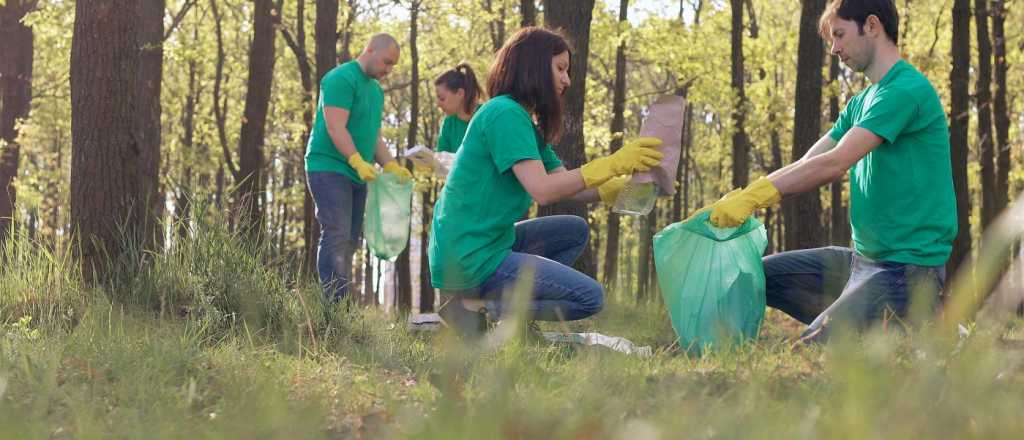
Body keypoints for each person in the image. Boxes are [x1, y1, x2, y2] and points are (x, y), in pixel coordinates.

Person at [694, 0, 956, 342]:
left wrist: (756, 197)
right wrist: (742, 198)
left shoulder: (905, 91)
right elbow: (810, 161)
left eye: (839, 35)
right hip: (862, 265)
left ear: (872, 26)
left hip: (907, 272)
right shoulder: (861, 102)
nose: (834, 48)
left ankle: (915, 321)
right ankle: (879, 322)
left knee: (815, 347)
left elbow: (834, 163)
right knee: (754, 275)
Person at [428, 27, 664, 337]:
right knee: (590, 297)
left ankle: (498, 313)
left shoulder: (523, 121)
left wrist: (613, 189)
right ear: (534, 66)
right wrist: (612, 162)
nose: (567, 80)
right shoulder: (503, 114)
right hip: (470, 257)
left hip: (485, 242)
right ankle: (480, 309)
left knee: (573, 230)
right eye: (560, 68)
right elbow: (543, 190)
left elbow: (562, 179)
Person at [305, 33, 413, 301]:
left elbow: (374, 137)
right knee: (337, 233)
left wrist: (391, 166)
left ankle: (338, 304)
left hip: (358, 172)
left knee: (351, 240)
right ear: (369, 50)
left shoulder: (376, 91)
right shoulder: (340, 79)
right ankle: (333, 306)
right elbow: (335, 126)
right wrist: (355, 159)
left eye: (392, 66)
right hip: (329, 167)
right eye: (386, 62)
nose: (388, 70)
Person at [434, 62, 483, 154]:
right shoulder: (448, 123)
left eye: (442, 98)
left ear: (460, 93)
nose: (438, 104)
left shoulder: (487, 117)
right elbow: (442, 160)